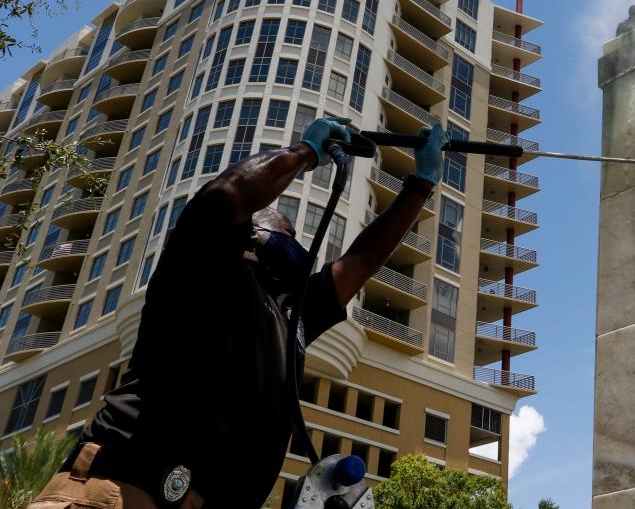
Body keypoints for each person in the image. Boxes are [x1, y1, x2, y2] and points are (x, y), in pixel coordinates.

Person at [28, 116, 447, 509]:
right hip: (122, 491)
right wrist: (304, 154)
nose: (293, 243)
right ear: (249, 235)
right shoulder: (203, 267)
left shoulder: (291, 313)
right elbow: (227, 196)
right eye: (282, 232)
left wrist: (421, 183)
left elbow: (357, 262)